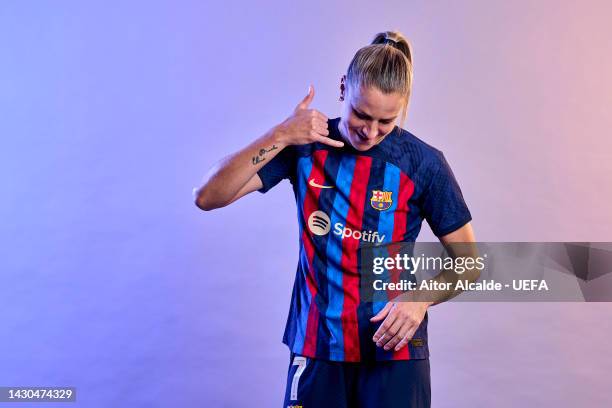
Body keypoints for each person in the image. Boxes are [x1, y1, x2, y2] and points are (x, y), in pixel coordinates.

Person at [194, 30, 476, 408]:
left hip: (393, 354)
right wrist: (280, 134)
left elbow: (470, 263)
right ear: (343, 88)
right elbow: (209, 197)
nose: (370, 131)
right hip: (318, 345)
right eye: (361, 114)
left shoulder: (423, 163)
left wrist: (420, 299)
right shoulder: (304, 145)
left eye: (385, 121)